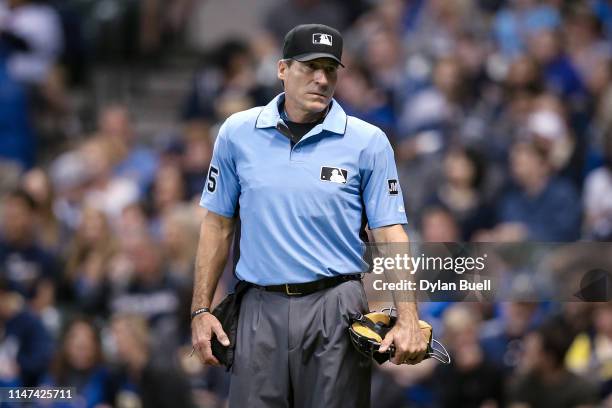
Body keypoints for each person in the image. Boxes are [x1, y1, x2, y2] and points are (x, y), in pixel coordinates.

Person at [190, 23, 427, 408]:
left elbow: (390, 232)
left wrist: (408, 316)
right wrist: (200, 309)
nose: (321, 79)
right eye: (310, 67)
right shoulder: (237, 133)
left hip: (335, 305)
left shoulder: (367, 141)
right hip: (258, 306)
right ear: (282, 69)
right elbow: (217, 224)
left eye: (330, 69)